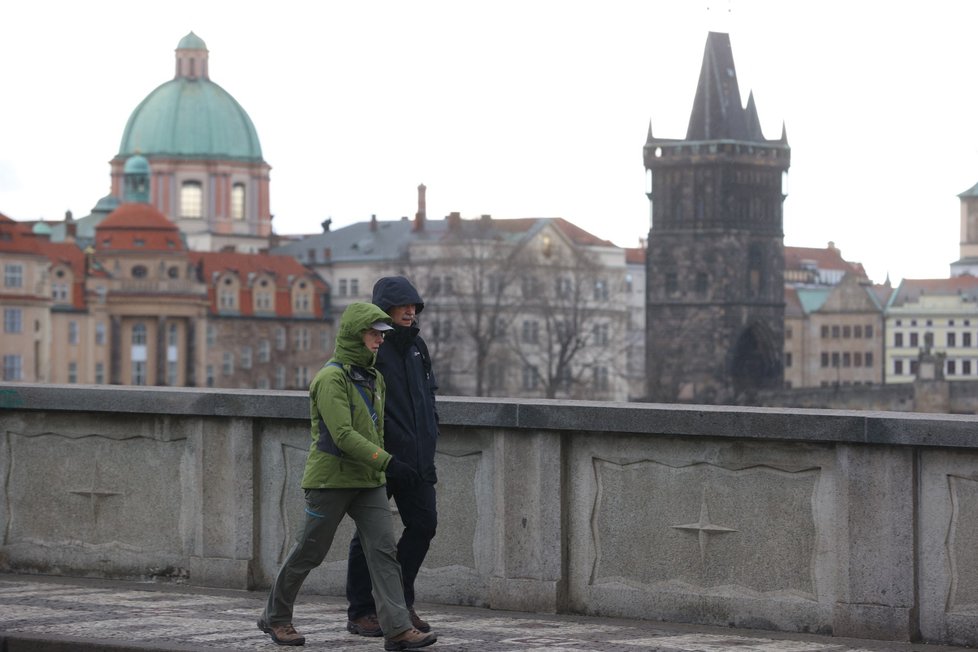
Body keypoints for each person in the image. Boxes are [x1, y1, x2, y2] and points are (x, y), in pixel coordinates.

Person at [257, 301, 437, 650]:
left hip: (368, 480)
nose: (379, 340)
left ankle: (398, 629)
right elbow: (342, 435)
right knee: (309, 552)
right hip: (332, 480)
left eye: (382, 335)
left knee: (383, 551)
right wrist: (388, 462)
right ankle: (276, 617)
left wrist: (389, 462)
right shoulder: (330, 378)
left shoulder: (373, 377)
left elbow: (376, 429)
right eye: (373, 333)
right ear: (355, 335)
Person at [346, 277, 439, 638]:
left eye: (414, 306)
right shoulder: (372, 347)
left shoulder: (418, 347)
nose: (410, 311)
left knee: (424, 525)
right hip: (380, 459)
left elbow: (428, 398)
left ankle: (399, 602)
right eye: (403, 306)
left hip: (418, 458)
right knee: (368, 536)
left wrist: (431, 435)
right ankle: (361, 611)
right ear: (385, 309)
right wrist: (378, 453)